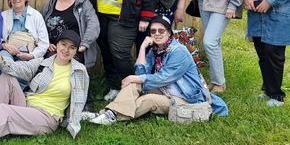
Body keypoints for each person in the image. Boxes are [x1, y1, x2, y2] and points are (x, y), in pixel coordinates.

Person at [87, 17, 227, 125]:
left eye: (161, 30)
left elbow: (163, 78)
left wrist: (135, 78)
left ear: (169, 33)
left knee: (148, 99)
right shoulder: (156, 51)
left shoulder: (179, 51)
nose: (157, 34)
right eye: (153, 31)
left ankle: (111, 115)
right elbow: (141, 74)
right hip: (164, 90)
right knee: (133, 84)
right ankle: (107, 114)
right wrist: (142, 47)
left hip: (185, 98)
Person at [41, 0, 99, 109]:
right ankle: (51, 99)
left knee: (73, 66)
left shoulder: (83, 4)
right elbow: (41, 26)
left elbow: (94, 24)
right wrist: (46, 43)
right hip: (54, 48)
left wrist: (84, 44)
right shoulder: (50, 5)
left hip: (76, 49)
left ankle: (84, 102)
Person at [0, 0, 50, 64]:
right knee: (4, 62)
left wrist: (32, 55)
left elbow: (44, 43)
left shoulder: (36, 16)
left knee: (21, 68)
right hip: (8, 52)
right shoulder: (3, 16)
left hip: (30, 55)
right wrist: (5, 46)